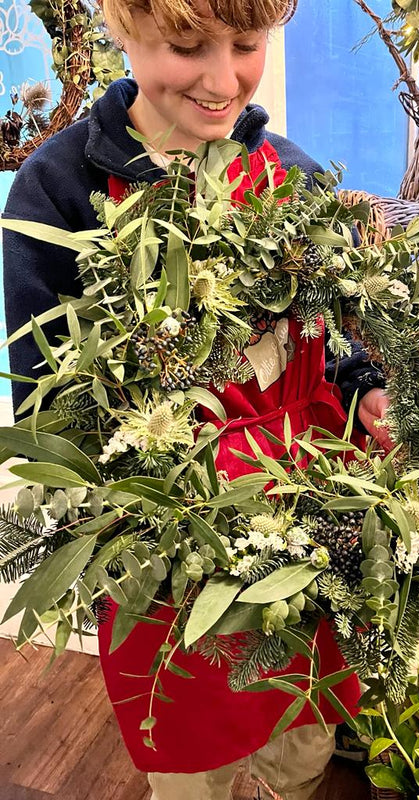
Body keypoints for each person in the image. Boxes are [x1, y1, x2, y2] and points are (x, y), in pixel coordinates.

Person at [3, 1, 391, 797]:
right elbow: (52, 413)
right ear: (121, 24)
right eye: (187, 46)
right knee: (191, 761)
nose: (224, 81)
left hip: (307, 525)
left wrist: (369, 388)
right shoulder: (58, 193)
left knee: (301, 736)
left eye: (247, 45)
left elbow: (341, 330)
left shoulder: (299, 178)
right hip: (172, 550)